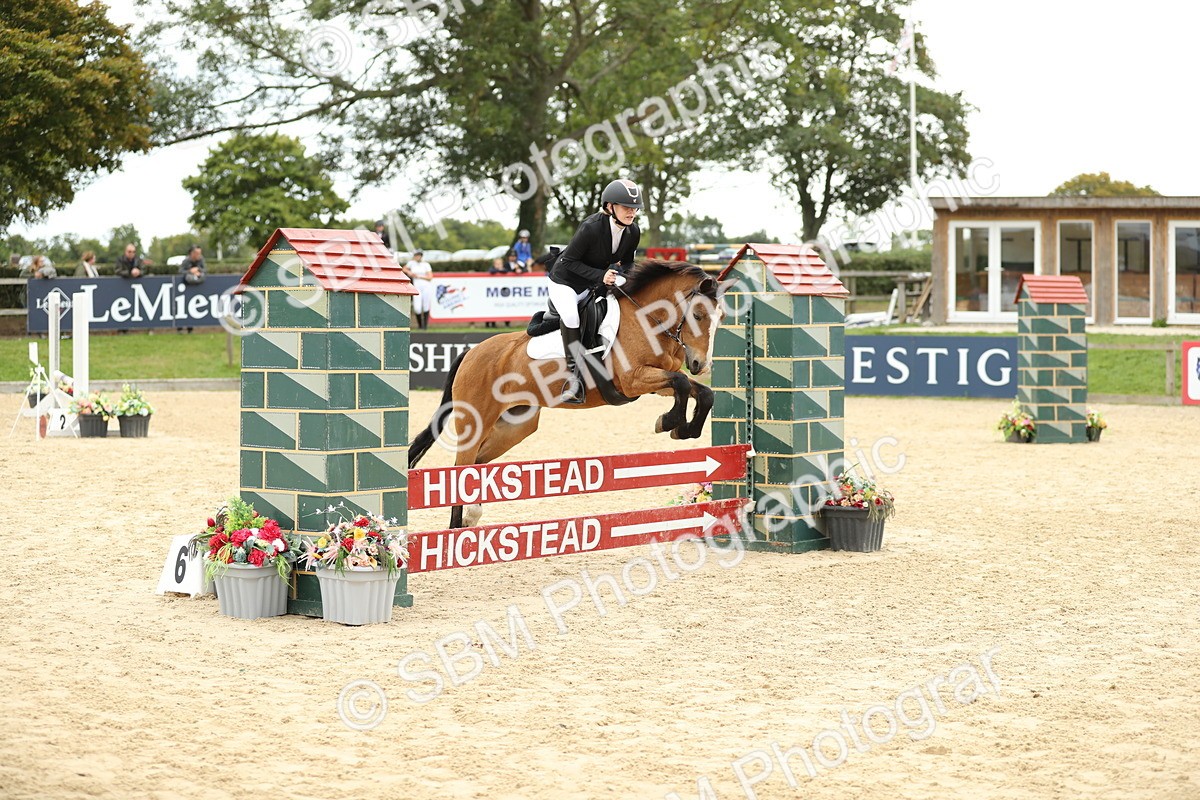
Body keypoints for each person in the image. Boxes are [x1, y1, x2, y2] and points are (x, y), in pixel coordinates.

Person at [548, 178, 642, 404]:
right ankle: (573, 380)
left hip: (594, 284)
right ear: (610, 207)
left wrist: (622, 276)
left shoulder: (633, 231)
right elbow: (568, 261)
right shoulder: (591, 227)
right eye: (626, 207)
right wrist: (601, 275)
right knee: (570, 315)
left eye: (635, 208)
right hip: (565, 283)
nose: (632, 212)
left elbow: (628, 263)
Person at [402, 249, 435, 329]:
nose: (418, 257)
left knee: (426, 305)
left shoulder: (426, 264)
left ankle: (425, 326)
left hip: (426, 286)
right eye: (416, 255)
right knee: (417, 307)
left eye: (419, 255)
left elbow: (430, 277)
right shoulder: (411, 263)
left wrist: (419, 276)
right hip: (417, 286)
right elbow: (404, 269)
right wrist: (410, 273)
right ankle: (420, 325)